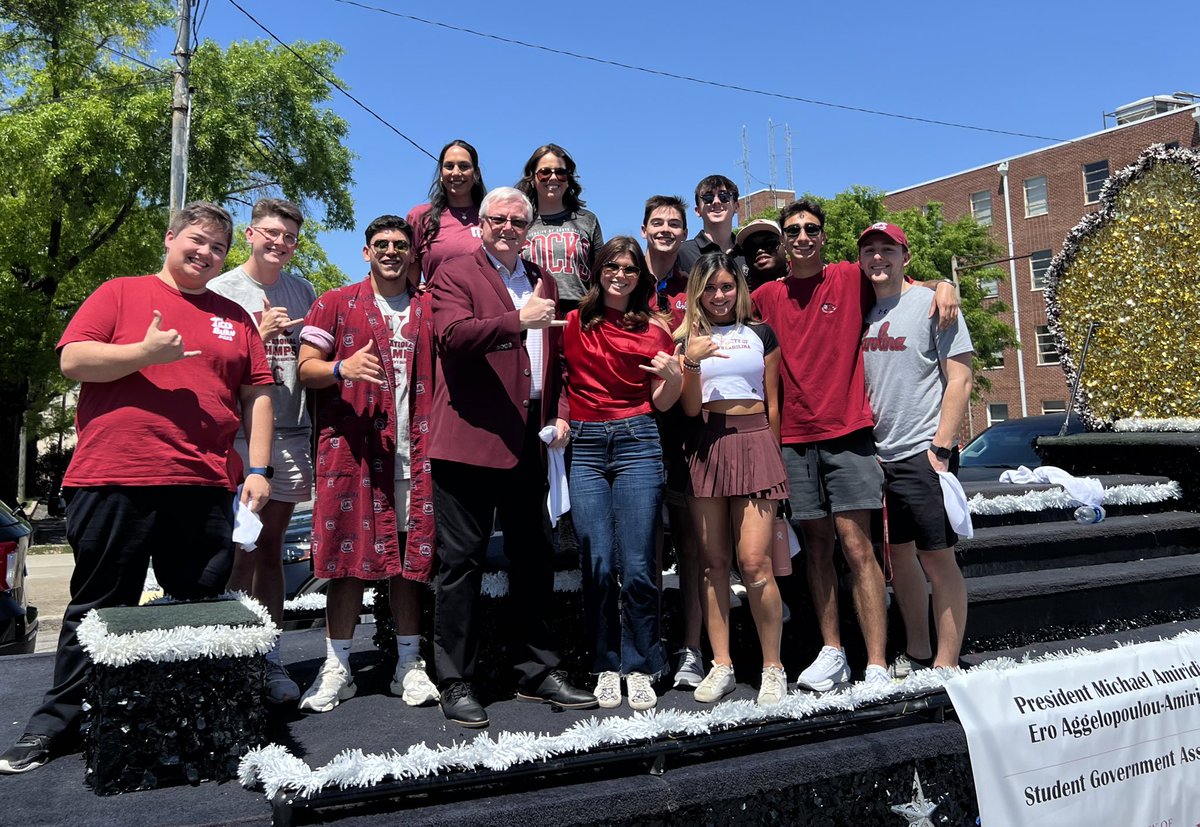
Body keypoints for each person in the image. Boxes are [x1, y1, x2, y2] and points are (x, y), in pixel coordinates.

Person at [0, 202, 273, 775]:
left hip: (202, 482)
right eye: (195, 241)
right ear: (171, 238)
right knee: (99, 605)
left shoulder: (236, 317)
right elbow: (74, 359)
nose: (205, 253)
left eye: (218, 248)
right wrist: (143, 355)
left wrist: (258, 468)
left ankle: (192, 716)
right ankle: (58, 721)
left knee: (199, 604)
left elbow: (257, 394)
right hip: (114, 475)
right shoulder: (119, 292)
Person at [752, 199, 958, 691]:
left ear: (823, 237)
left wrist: (944, 285)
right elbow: (711, 314)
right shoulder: (764, 296)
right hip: (794, 442)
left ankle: (878, 663)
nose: (802, 236)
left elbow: (901, 284)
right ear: (784, 241)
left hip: (849, 436)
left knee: (858, 547)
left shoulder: (848, 277)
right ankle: (832, 652)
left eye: (811, 229)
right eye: (794, 230)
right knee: (818, 550)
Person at [430, 186, 596, 728]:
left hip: (531, 438)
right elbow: (451, 338)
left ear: (529, 230)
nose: (508, 228)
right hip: (469, 440)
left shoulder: (542, 280)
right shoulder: (455, 273)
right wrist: (515, 320)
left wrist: (563, 411)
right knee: (462, 564)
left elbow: (557, 359)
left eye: (518, 222)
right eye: (498, 219)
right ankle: (456, 681)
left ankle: (538, 671)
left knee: (535, 557)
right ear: (480, 223)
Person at [293, 215, 439, 713]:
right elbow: (306, 369)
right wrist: (342, 367)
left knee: (408, 564)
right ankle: (338, 667)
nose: (392, 251)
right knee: (345, 563)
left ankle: (407, 664)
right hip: (353, 453)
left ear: (412, 252)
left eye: (400, 244)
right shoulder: (335, 302)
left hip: (415, 454)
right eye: (382, 244)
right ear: (366, 251)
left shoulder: (429, 308)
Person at [563, 237, 683, 711]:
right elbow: (556, 380)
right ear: (598, 271)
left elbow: (661, 402)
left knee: (637, 566)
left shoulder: (655, 331)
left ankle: (641, 663)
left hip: (638, 441)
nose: (620, 274)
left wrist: (674, 379)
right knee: (596, 564)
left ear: (640, 277)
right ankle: (604, 664)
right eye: (612, 266)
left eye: (629, 269)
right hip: (586, 443)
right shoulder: (572, 322)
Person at [208, 197, 316, 704]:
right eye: (270, 233)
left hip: (291, 433)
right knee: (235, 551)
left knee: (270, 548)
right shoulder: (219, 289)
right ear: (250, 235)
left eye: (289, 236)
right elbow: (205, 364)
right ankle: (230, 658)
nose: (279, 242)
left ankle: (270, 657)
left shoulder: (304, 291)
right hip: (233, 434)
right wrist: (257, 332)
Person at [857, 223, 972, 677]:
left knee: (937, 558)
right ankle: (920, 649)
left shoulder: (932, 305)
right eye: (870, 251)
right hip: (878, 457)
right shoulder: (861, 308)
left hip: (924, 452)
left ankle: (947, 662)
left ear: (905, 256)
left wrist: (941, 447)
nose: (878, 258)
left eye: (887, 250)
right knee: (900, 558)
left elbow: (960, 379)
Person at [676, 253, 788, 706]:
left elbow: (774, 401)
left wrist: (775, 456)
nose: (719, 296)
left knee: (756, 562)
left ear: (738, 288)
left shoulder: (761, 332)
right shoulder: (686, 336)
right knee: (712, 562)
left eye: (727, 287)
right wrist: (690, 361)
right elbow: (686, 409)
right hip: (707, 444)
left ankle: (773, 667)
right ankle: (721, 664)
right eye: (710, 288)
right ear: (697, 291)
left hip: (757, 440)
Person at [640, 194, 704, 689]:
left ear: (684, 233)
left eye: (674, 224)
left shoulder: (695, 285)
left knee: (690, 542)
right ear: (644, 228)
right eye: (657, 222)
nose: (665, 229)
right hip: (635, 425)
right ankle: (647, 646)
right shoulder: (622, 277)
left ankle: (692, 649)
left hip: (686, 426)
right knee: (643, 546)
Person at [516, 143, 604, 314]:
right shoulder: (520, 221)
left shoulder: (588, 220)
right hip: (531, 312)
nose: (553, 178)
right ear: (532, 179)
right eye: (545, 172)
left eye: (561, 172)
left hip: (579, 314)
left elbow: (601, 273)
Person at [406, 139, 486, 284]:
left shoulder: (493, 218)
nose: (456, 172)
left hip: (487, 305)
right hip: (436, 305)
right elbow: (410, 283)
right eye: (449, 166)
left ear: (476, 173)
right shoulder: (420, 217)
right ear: (441, 174)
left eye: (463, 166)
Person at [677, 174, 746, 277]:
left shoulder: (748, 252)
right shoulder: (681, 253)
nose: (716, 202)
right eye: (708, 198)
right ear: (698, 211)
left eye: (724, 196)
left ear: (736, 206)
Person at [736, 218, 787, 292]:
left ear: (784, 244)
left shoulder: (805, 279)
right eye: (751, 247)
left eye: (769, 244)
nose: (760, 250)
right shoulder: (741, 294)